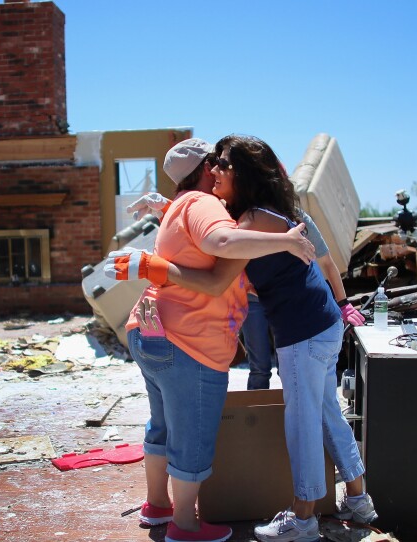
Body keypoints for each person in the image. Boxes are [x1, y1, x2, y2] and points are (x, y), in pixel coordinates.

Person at [116, 135, 377, 542]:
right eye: (212, 165)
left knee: (303, 423)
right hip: (317, 325)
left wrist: (155, 266)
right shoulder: (249, 214)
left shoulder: (256, 219)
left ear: (244, 173)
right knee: (326, 412)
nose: (215, 172)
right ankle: (359, 499)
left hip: (304, 331)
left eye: (223, 165)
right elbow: (213, 231)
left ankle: (304, 519)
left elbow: (219, 264)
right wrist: (168, 208)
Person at [243, 210, 365, 390]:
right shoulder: (247, 215)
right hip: (254, 300)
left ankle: (286, 411)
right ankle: (256, 417)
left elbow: (327, 263)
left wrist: (343, 303)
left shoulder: (297, 216)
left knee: (287, 367)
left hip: (283, 301)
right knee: (259, 368)